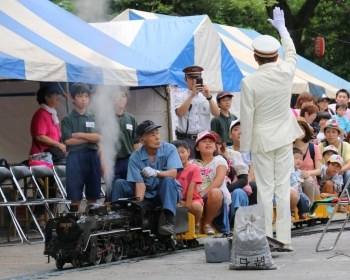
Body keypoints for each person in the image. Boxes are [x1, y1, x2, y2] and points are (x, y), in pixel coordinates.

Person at [239, 7, 303, 250]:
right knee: (282, 187)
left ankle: (267, 238)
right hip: (285, 136)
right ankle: (285, 239)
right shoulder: (286, 71)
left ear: (255, 57)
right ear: (275, 56)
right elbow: (292, 53)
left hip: (262, 139)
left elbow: (247, 117)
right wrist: (282, 30)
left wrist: (245, 148)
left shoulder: (249, 81)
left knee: (265, 190)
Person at [112, 120, 183, 236]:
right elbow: (140, 185)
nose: (157, 137)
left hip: (166, 192)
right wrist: (139, 209)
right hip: (147, 194)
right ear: (142, 141)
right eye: (152, 135)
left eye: (157, 133)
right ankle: (116, 221)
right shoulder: (135, 157)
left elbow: (173, 174)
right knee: (119, 183)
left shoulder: (170, 149)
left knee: (167, 180)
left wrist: (156, 172)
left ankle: (170, 223)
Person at [61, 82, 103, 209]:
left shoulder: (93, 117)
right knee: (75, 195)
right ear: (72, 98)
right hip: (75, 157)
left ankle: (92, 224)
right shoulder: (67, 119)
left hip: (92, 156)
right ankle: (74, 223)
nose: (84, 99)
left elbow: (99, 137)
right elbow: (67, 141)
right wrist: (90, 138)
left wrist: (79, 135)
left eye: (86, 96)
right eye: (80, 96)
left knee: (93, 194)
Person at [30, 86, 66, 227]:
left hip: (52, 155)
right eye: (55, 95)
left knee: (52, 188)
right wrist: (59, 145)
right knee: (45, 188)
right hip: (42, 157)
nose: (58, 97)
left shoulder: (51, 114)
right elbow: (40, 136)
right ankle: (40, 218)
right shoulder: (41, 114)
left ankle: (49, 219)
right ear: (47, 97)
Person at [174, 65, 220, 157]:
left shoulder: (206, 96)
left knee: (205, 166)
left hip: (204, 138)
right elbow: (180, 113)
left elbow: (217, 113)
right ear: (185, 79)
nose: (194, 81)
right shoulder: (180, 96)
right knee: (190, 166)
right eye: (191, 78)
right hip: (187, 138)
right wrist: (192, 95)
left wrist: (209, 97)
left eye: (197, 78)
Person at [191, 131, 231, 234]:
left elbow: (219, 180)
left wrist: (203, 192)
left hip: (214, 196)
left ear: (215, 147)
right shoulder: (192, 163)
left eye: (211, 141)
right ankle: (195, 224)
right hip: (196, 195)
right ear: (197, 147)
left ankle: (207, 223)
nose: (208, 143)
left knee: (215, 192)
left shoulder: (219, 160)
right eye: (204, 141)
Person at [104, 90, 139, 203]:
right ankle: (110, 217)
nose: (120, 99)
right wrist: (104, 163)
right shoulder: (107, 118)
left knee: (128, 189)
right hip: (113, 161)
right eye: (117, 96)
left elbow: (136, 143)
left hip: (129, 160)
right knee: (111, 192)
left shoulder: (131, 118)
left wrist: (137, 162)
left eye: (123, 96)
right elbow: (101, 142)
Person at [211, 131, 249, 229]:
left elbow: (244, 180)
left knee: (237, 193)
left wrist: (226, 189)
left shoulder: (233, 155)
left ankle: (236, 222)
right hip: (216, 190)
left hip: (233, 188)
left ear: (219, 144)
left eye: (212, 143)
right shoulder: (204, 159)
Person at [171, 140, 203, 234]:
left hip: (192, 198)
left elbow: (191, 188)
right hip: (177, 199)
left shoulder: (194, 169)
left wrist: (187, 206)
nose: (180, 155)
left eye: (182, 152)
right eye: (177, 153)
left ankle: (196, 225)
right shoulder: (172, 170)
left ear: (188, 152)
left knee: (196, 207)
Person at [228, 119, 258, 205]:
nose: (240, 132)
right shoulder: (226, 152)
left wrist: (243, 185)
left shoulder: (253, 151)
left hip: (248, 182)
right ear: (230, 134)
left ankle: (252, 214)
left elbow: (252, 174)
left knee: (253, 186)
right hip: (232, 183)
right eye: (236, 129)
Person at [293, 117, 322, 204]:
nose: (299, 130)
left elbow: (319, 170)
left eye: (301, 128)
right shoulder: (288, 148)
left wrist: (308, 173)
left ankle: (309, 208)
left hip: (312, 187)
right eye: (296, 128)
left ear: (306, 131)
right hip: (294, 183)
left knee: (308, 180)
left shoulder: (314, 148)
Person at [319, 119, 350, 192]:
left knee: (349, 174)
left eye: (334, 132)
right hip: (324, 174)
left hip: (340, 173)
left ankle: (345, 197)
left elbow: (349, 163)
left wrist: (337, 171)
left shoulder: (345, 145)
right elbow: (318, 163)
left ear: (338, 134)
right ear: (325, 134)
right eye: (328, 132)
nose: (331, 135)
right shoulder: (320, 146)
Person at [290, 148, 310, 221]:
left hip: (297, 191)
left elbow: (299, 183)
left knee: (300, 197)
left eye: (301, 159)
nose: (299, 160)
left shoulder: (300, 172)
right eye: (296, 158)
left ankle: (302, 211)